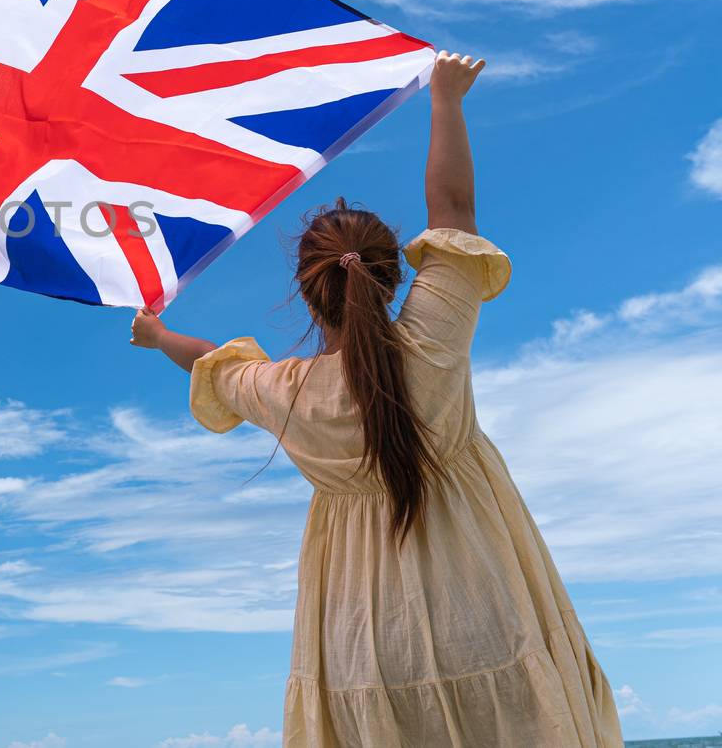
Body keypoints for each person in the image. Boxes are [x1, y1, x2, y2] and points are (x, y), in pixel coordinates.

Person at [129, 52, 623, 747]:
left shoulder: (287, 394)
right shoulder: (431, 346)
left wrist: (157, 335)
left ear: (307, 291)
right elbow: (452, 210)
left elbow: (212, 363)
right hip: (487, 618)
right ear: (392, 276)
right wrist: (445, 98)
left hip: (363, 652)